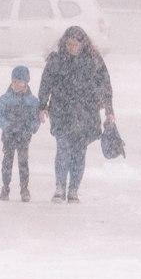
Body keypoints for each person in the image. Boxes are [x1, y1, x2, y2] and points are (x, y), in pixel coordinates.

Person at [37, 25, 114, 203]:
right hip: (61, 111)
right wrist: (42, 106)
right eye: (69, 44)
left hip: (86, 113)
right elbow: (45, 83)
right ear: (65, 43)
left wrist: (109, 111)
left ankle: (73, 189)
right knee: (63, 148)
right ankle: (60, 187)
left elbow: (105, 86)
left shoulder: (93, 60)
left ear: (82, 44)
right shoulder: (56, 60)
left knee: (79, 152)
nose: (72, 48)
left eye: (75, 44)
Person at [0, 65, 41, 202]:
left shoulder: (32, 101)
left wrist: (31, 128)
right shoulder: (5, 99)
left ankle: (24, 188)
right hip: (9, 136)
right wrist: (7, 126)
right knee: (7, 162)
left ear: (26, 82)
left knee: (23, 162)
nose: (17, 85)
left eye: (20, 82)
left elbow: (35, 118)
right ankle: (5, 187)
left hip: (24, 136)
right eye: (14, 82)